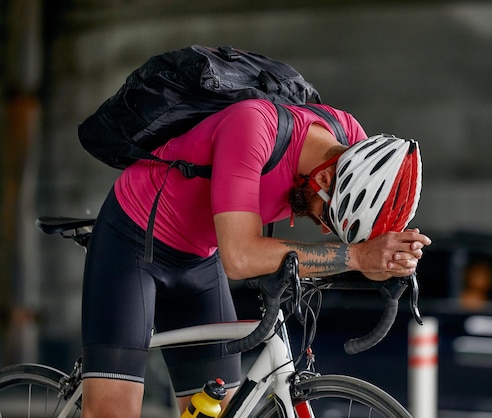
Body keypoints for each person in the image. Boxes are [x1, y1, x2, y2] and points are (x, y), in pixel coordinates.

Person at [80, 98, 431, 418]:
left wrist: (384, 261)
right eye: (328, 217)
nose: (325, 229)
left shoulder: (353, 145)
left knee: (217, 412)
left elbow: (354, 254)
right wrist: (356, 256)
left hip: (200, 259)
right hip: (132, 242)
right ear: (325, 175)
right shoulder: (252, 128)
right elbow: (241, 258)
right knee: (114, 412)